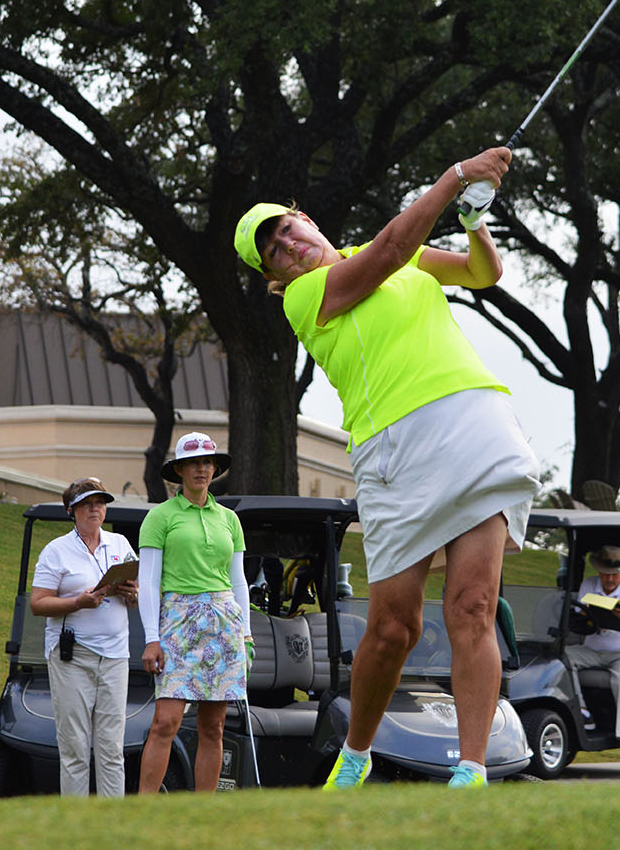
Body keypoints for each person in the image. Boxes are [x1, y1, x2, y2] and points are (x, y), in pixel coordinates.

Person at [233, 147, 540, 790]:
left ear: (306, 219)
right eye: (273, 252)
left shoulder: (388, 252)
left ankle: (472, 769)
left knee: (474, 606)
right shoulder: (306, 296)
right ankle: (356, 754)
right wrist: (455, 176)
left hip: (474, 422)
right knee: (394, 628)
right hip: (394, 449)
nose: (287, 246)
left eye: (287, 228)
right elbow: (395, 249)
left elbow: (483, 274)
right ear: (274, 274)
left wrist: (475, 215)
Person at [136, 431, 251, 794]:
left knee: (214, 726)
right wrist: (152, 639)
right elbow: (149, 582)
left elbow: (238, 581)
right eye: (193, 463)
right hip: (178, 621)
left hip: (223, 619)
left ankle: (201, 814)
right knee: (165, 722)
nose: (201, 469)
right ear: (180, 470)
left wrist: (246, 633)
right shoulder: (160, 516)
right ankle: (141, 810)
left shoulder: (229, 519)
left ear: (214, 468)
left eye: (207, 462)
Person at [30, 477, 139, 796]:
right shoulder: (56, 551)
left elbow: (137, 597)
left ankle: (109, 829)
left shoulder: (119, 545)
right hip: (72, 657)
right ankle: (76, 831)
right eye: (87, 503)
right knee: (76, 747)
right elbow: (38, 603)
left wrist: (132, 594)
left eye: (100, 502)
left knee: (111, 748)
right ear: (71, 510)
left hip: (116, 657)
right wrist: (79, 601)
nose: (95, 509)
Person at [566, 545, 620, 769]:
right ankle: (583, 711)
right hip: (593, 649)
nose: (609, 580)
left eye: (614, 575)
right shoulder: (589, 585)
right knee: (561, 659)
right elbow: (578, 618)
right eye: (605, 574)